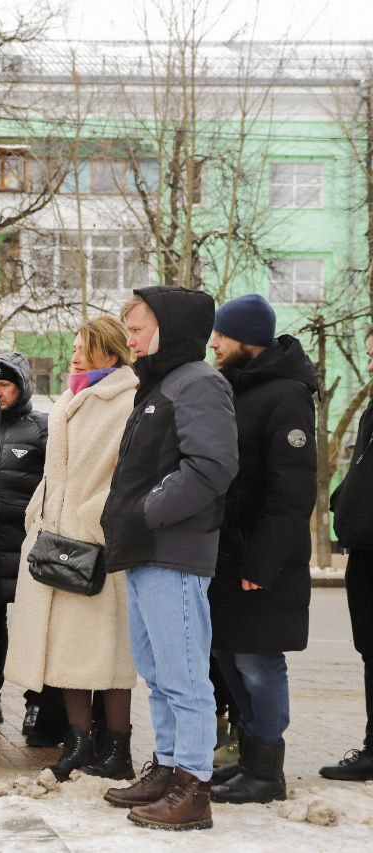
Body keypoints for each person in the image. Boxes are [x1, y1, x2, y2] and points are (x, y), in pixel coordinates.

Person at [100, 287, 238, 832]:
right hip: (144, 549)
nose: (129, 340)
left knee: (184, 676)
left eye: (136, 329)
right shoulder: (160, 384)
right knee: (157, 673)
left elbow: (212, 465)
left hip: (173, 550)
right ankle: (168, 767)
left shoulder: (200, 383)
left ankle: (193, 786)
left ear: (169, 327)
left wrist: (148, 512)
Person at [6, 319, 139, 782]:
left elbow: (124, 474)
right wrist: (38, 515)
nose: (75, 357)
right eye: (76, 348)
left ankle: (117, 747)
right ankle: (78, 743)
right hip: (55, 540)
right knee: (66, 653)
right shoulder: (70, 397)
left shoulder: (127, 401)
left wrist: (93, 519)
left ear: (111, 352)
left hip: (96, 544)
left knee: (109, 656)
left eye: (85, 349)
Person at [206, 294, 317, 803]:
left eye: (221, 336)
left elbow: (292, 492)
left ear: (247, 338)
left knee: (257, 662)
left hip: (260, 560)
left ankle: (267, 770)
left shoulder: (287, 395)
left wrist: (263, 561)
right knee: (229, 657)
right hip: (228, 555)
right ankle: (249, 761)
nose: (214, 344)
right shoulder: (235, 388)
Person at [0, 352, 49, 726]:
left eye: (6, 385)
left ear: (22, 388)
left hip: (25, 545)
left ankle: (37, 702)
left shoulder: (39, 429)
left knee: (32, 627)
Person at [321, 324, 373, 782]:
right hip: (364, 549)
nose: (371, 364)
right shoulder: (371, 411)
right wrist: (344, 500)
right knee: (369, 651)